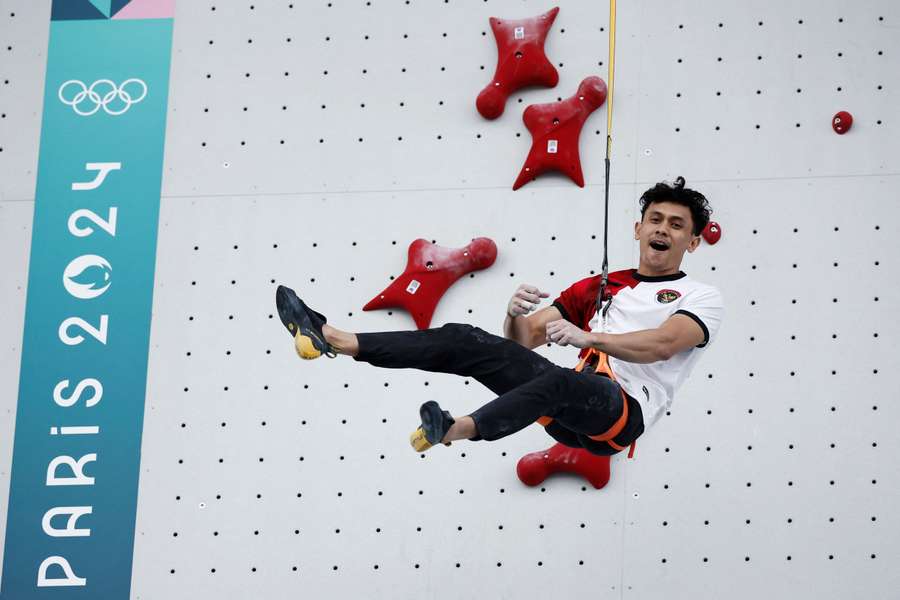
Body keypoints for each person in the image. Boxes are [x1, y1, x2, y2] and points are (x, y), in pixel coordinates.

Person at [275, 176, 724, 456]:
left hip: (620, 415)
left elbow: (664, 344)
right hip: (564, 408)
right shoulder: (600, 286)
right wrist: (513, 315)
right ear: (638, 228)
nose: (663, 229)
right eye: (655, 219)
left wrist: (588, 340)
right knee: (466, 339)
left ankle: (454, 429)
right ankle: (332, 337)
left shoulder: (700, 296)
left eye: (677, 224)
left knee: (559, 382)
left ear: (693, 242)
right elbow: (525, 339)